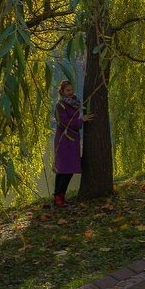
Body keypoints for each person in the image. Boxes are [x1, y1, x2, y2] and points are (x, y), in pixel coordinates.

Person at [53, 79, 93, 207]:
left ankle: (62, 196)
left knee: (69, 170)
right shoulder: (60, 105)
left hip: (73, 140)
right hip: (64, 140)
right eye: (67, 90)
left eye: (71, 90)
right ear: (62, 91)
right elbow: (64, 123)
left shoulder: (74, 103)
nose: (70, 92)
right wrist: (81, 120)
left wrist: (80, 121)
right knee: (64, 170)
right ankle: (57, 196)